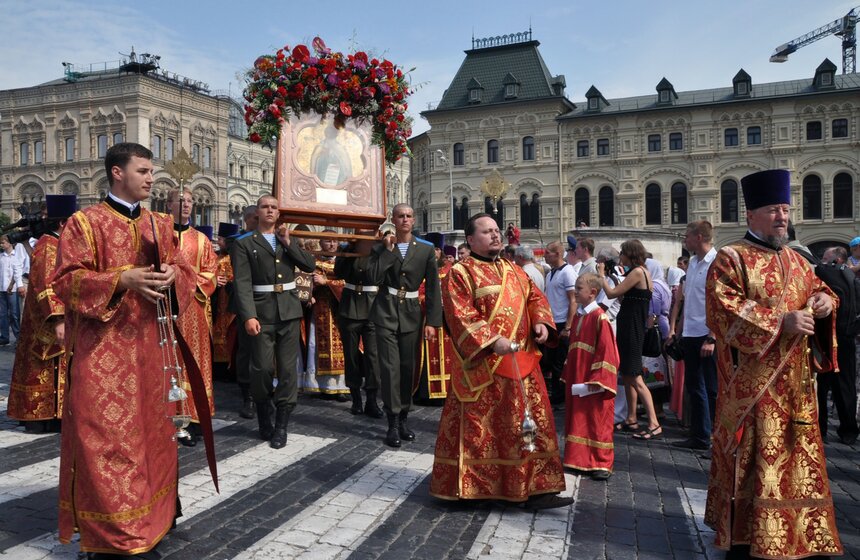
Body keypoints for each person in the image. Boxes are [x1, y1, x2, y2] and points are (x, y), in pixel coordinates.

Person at [53, 143, 203, 557]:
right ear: (117, 173)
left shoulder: (159, 223)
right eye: (143, 171)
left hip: (153, 354)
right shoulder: (85, 223)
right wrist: (122, 280)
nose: (151, 179)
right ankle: (113, 537)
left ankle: (153, 521)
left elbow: (184, 272)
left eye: (152, 171)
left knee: (155, 440)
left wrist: (175, 273)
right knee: (106, 443)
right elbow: (65, 281)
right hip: (103, 357)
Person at [704, 169, 842, 558]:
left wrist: (827, 302)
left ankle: (800, 534)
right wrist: (780, 322)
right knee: (754, 462)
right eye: (772, 210)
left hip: (796, 386)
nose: (782, 216)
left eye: (785, 209)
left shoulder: (799, 261)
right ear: (751, 215)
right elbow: (722, 309)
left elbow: (821, 290)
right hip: (753, 387)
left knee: (797, 459)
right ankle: (748, 537)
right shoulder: (732, 258)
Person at [429, 213, 571, 510]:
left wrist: (542, 322)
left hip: (522, 364)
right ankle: (476, 489)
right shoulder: (460, 272)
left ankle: (535, 488)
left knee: (529, 429)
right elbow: (459, 315)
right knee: (483, 432)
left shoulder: (513, 269)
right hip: (484, 368)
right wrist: (493, 341)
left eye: (496, 231)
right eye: (487, 232)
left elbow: (535, 298)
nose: (495, 235)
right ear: (470, 239)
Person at [232, 195, 316, 449]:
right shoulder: (244, 243)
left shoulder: (288, 239)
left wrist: (289, 243)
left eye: (274, 207)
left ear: (279, 213)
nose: (269, 211)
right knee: (261, 369)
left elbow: (309, 265)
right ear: (257, 212)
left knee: (289, 370)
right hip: (261, 312)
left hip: (289, 311)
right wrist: (248, 316)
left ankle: (281, 425)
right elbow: (242, 284)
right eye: (265, 207)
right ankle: (263, 414)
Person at [368, 203, 442, 447]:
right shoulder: (381, 247)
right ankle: (391, 422)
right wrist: (388, 251)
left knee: (408, 367)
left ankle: (404, 418)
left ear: (414, 220)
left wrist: (433, 321)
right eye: (400, 216)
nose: (405, 220)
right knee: (390, 369)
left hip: (411, 313)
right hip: (386, 311)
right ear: (393, 219)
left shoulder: (425, 249)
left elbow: (433, 287)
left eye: (409, 216)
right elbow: (373, 277)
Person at [7, 195, 75, 433]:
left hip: (53, 317)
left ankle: (54, 414)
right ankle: (44, 416)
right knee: (45, 366)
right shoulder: (49, 245)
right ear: (63, 224)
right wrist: (57, 317)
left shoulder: (56, 244)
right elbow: (46, 283)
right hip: (47, 321)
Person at [168, 187, 218, 447]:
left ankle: (193, 421)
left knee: (193, 364)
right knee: (167, 364)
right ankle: (166, 419)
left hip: (192, 311)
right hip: (163, 310)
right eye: (181, 201)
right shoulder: (159, 236)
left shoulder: (201, 240)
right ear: (169, 204)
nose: (186, 205)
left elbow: (211, 275)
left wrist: (182, 282)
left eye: (189, 201)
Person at [599, 240, 662, 440]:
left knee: (635, 376)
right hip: (630, 325)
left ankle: (654, 423)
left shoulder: (637, 272)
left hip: (632, 328)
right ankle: (631, 418)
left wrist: (601, 276)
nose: (620, 258)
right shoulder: (641, 273)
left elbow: (611, 294)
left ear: (630, 254)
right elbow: (625, 299)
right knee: (626, 374)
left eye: (623, 254)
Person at [561, 273, 619, 481]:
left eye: (578, 289)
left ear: (592, 293)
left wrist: (598, 379)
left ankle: (600, 462)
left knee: (596, 419)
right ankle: (578, 459)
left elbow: (607, 352)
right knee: (578, 417)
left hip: (593, 379)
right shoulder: (579, 315)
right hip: (578, 375)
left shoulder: (599, 318)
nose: (575, 292)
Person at [668, 221, 718, 451]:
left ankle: (716, 439)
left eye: (687, 236)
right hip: (690, 332)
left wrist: (712, 337)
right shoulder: (694, 263)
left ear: (698, 237)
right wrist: (678, 331)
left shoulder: (715, 263)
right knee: (694, 386)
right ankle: (699, 436)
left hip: (706, 334)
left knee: (710, 388)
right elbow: (687, 302)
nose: (684, 240)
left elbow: (720, 303)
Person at [334, 230, 383, 417]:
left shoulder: (379, 250)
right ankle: (355, 398)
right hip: (350, 306)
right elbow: (339, 272)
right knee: (351, 356)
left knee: (373, 357)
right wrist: (348, 251)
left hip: (373, 308)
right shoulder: (347, 250)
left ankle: (371, 400)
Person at [816, 246, 859, 445]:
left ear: (837, 261)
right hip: (847, 337)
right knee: (846, 386)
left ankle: (821, 428)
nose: (823, 263)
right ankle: (848, 430)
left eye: (826, 260)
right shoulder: (851, 276)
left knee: (821, 387)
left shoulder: (830, 274)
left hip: (827, 338)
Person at [303, 231, 349, 400]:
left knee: (342, 346)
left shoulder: (344, 262)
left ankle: (341, 386)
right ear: (320, 242)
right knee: (317, 345)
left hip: (340, 308)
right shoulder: (313, 261)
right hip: (320, 308)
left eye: (334, 241)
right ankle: (319, 385)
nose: (331, 244)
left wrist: (327, 282)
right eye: (327, 241)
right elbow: (304, 281)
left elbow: (348, 284)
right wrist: (309, 294)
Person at [541, 240, 577, 405]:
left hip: (563, 322)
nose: (545, 255)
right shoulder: (550, 273)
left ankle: (560, 398)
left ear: (557, 254)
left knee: (559, 363)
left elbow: (573, 300)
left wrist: (568, 326)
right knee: (550, 360)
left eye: (548, 252)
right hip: (552, 322)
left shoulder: (568, 272)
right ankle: (555, 395)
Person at [230, 205, 259, 418]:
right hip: (246, 301)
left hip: (268, 301)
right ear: (249, 219)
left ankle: (263, 392)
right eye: (257, 218)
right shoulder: (239, 242)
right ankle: (247, 395)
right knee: (247, 350)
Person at [212, 222, 240, 383]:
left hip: (231, 302)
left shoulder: (236, 258)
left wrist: (230, 283)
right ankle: (219, 368)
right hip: (217, 302)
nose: (218, 242)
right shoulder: (216, 257)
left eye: (221, 239)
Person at [0, 235, 24, 345]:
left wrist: (14, 285)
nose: (1, 245)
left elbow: (17, 272)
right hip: (1, 289)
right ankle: (4, 337)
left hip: (13, 289)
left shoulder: (17, 255)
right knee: (2, 314)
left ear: (9, 243)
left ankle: (18, 337)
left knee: (14, 314)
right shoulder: (1, 257)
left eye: (3, 242)